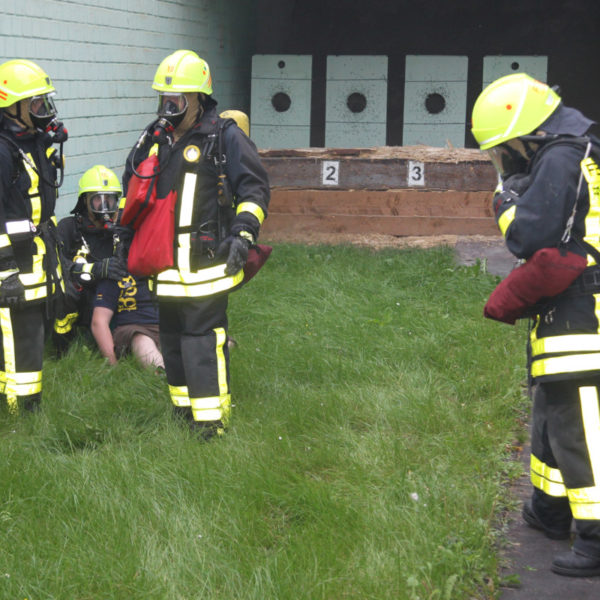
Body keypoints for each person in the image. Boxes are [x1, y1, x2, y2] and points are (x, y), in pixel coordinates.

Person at [472, 72, 600, 577]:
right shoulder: (574, 149)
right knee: (550, 412)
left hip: (582, 311)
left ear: (530, 136)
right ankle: (550, 510)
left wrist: (505, 205)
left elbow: (530, 236)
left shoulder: (563, 156)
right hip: (567, 303)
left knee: (580, 425)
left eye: (506, 150)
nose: (505, 161)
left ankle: (594, 538)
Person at [122, 50, 270, 439]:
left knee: (201, 342)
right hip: (165, 268)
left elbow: (254, 189)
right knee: (171, 341)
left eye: (176, 101)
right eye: (164, 100)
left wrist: (243, 232)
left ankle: (210, 425)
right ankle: (182, 411)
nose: (167, 108)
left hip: (205, 265)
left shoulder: (224, 137)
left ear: (198, 99)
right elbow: (134, 192)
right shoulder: (156, 141)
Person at [0, 58, 68, 413]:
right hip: (12, 266)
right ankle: (19, 410)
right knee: (17, 338)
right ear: (13, 108)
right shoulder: (2, 150)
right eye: (37, 104)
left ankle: (23, 402)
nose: (45, 111)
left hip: (35, 258)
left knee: (30, 336)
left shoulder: (31, 143)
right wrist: (7, 272)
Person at [54, 165, 128, 350]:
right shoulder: (68, 228)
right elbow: (57, 264)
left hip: (110, 299)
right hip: (80, 298)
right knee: (65, 291)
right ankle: (63, 347)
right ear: (85, 201)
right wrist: (95, 270)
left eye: (110, 200)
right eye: (98, 200)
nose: (105, 207)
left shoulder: (120, 231)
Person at [91, 272, 164, 369]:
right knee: (140, 338)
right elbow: (99, 322)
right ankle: (161, 374)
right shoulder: (115, 273)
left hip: (169, 328)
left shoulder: (170, 270)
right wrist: (113, 365)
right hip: (133, 329)